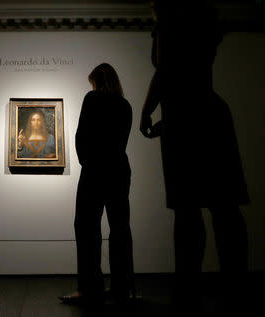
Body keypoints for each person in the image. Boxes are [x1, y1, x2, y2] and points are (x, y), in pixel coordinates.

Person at [140, 0, 249, 311]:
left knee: (188, 211)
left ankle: (188, 288)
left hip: (184, 123)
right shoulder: (203, 19)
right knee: (224, 207)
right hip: (210, 114)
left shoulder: (169, 19)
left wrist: (147, 111)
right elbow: (189, 77)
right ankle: (235, 286)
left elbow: (165, 70)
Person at [60, 63, 134, 308]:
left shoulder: (92, 98)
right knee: (120, 229)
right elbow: (121, 141)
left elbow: (81, 135)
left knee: (86, 227)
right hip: (119, 169)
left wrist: (86, 162)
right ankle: (123, 288)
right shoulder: (125, 106)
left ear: (97, 81)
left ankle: (90, 288)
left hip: (94, 170)